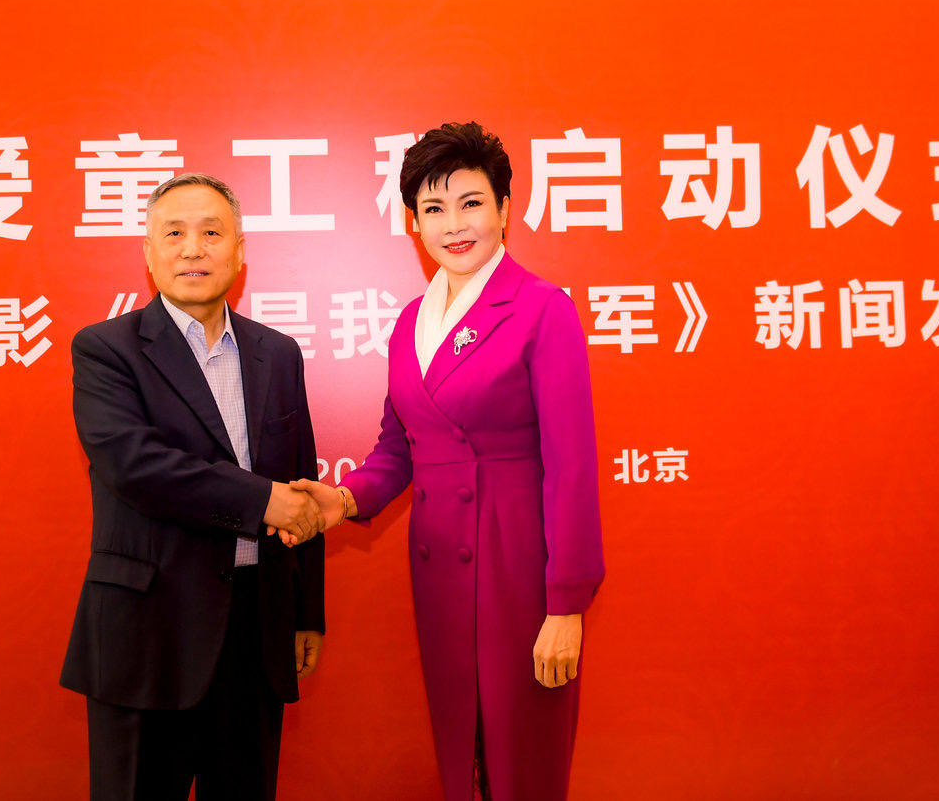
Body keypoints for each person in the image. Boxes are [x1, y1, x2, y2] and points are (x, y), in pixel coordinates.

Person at [292, 122, 605, 801]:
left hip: (518, 567)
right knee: (462, 750)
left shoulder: (541, 309)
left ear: (505, 209)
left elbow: (573, 468)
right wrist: (342, 499)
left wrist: (566, 605)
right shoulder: (412, 321)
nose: (454, 225)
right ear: (413, 222)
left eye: (471, 203)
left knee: (522, 756)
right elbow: (398, 447)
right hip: (438, 565)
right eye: (433, 208)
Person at [60, 173, 327, 801]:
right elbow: (137, 466)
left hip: (255, 633)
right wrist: (262, 501)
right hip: (148, 633)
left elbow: (301, 481)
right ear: (149, 253)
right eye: (174, 233)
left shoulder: (277, 353)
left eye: (212, 233)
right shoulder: (107, 349)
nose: (193, 249)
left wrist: (304, 612)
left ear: (239, 251)